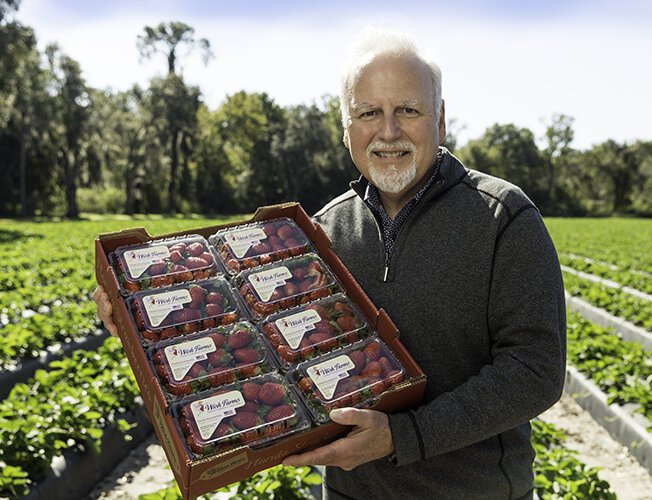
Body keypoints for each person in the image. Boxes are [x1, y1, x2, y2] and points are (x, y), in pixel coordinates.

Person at [94, 29, 566, 500]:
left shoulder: (502, 217)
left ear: (439, 119)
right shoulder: (320, 233)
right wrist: (144, 320)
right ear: (346, 129)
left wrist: (404, 436)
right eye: (368, 113)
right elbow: (250, 332)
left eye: (408, 109)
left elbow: (536, 370)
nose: (388, 131)